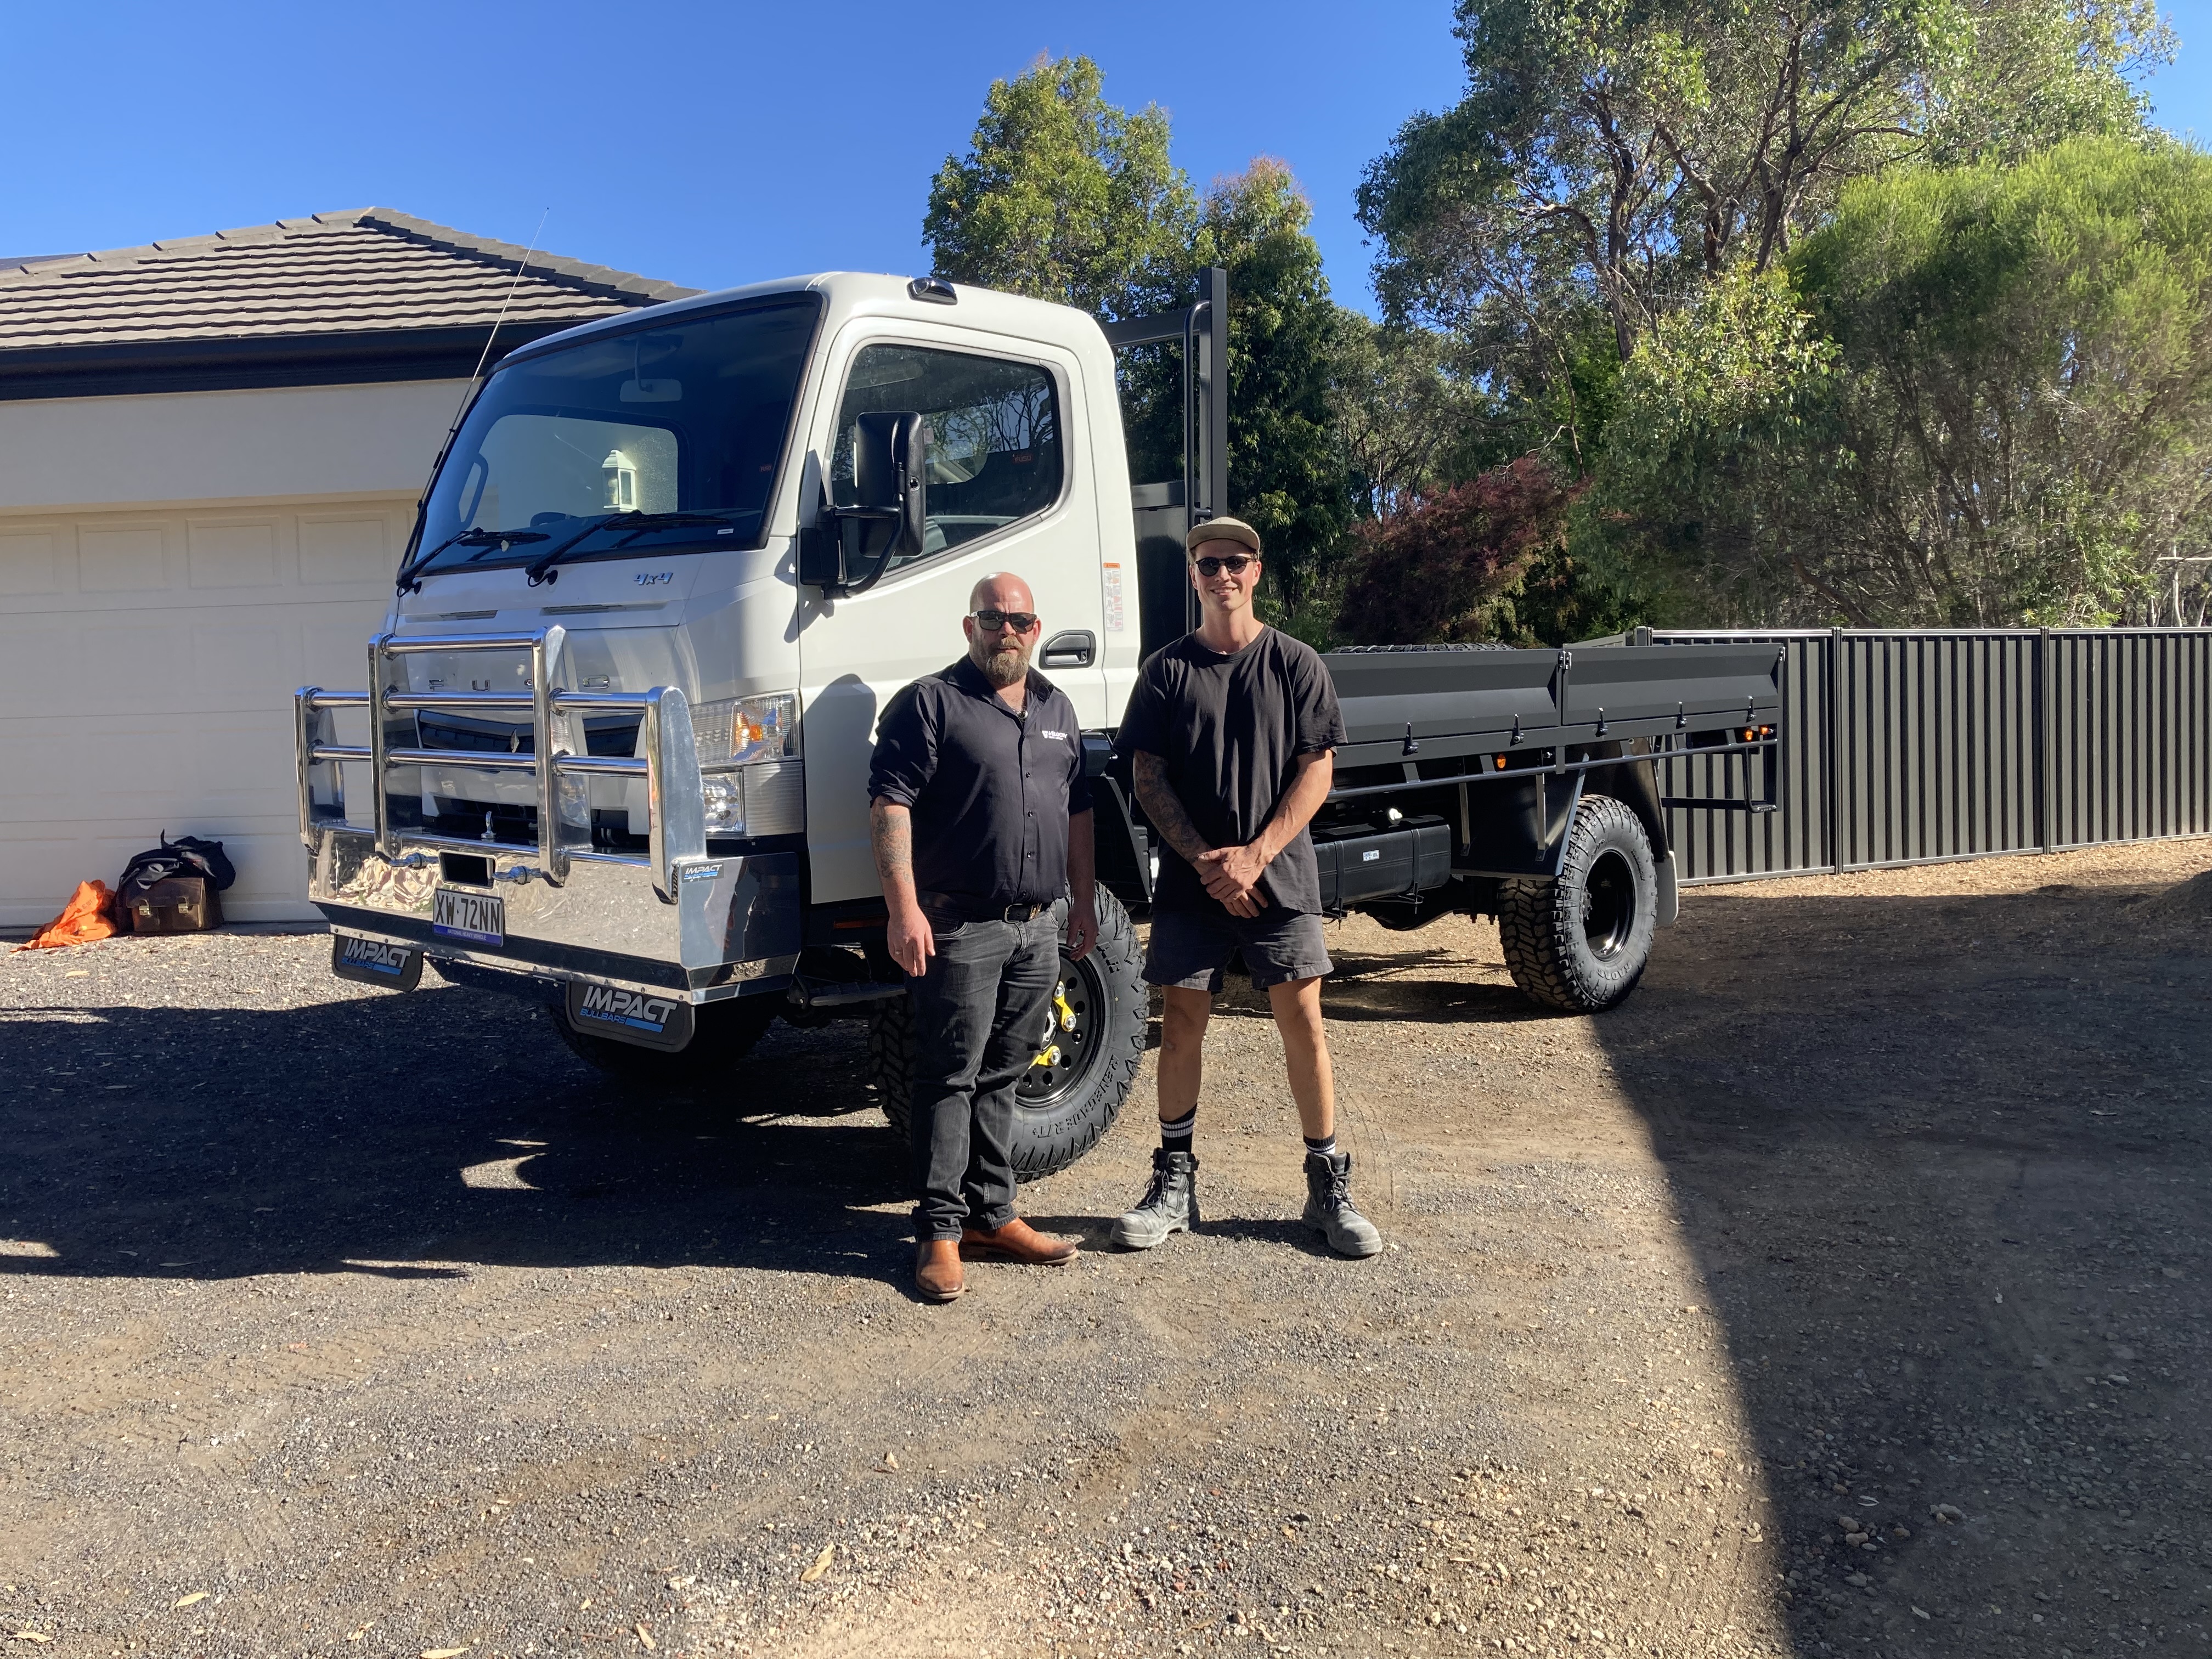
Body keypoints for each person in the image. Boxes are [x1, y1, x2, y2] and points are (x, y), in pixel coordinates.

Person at [1110, 517, 1381, 1259]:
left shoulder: (1296, 664)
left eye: (1234, 561)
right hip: (1196, 882)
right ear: (1193, 576)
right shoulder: (1167, 671)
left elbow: (1316, 768)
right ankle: (1174, 1184)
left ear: (1256, 572)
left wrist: (1255, 857)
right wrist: (1208, 862)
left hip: (1278, 877)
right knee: (1183, 1019)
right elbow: (1147, 775)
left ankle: (1328, 1188)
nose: (1220, 573)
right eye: (1207, 563)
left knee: (1304, 1021)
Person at [868, 572, 1098, 1302]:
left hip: (1038, 929)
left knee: (1005, 1073)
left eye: (1021, 620)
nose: (1008, 630)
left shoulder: (1059, 709)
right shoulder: (932, 704)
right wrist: (903, 910)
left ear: (1036, 629)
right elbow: (890, 804)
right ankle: (939, 1231)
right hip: (960, 927)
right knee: (948, 1077)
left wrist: (1083, 903)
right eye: (993, 618)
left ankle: (992, 1217)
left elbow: (1080, 811)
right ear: (969, 627)